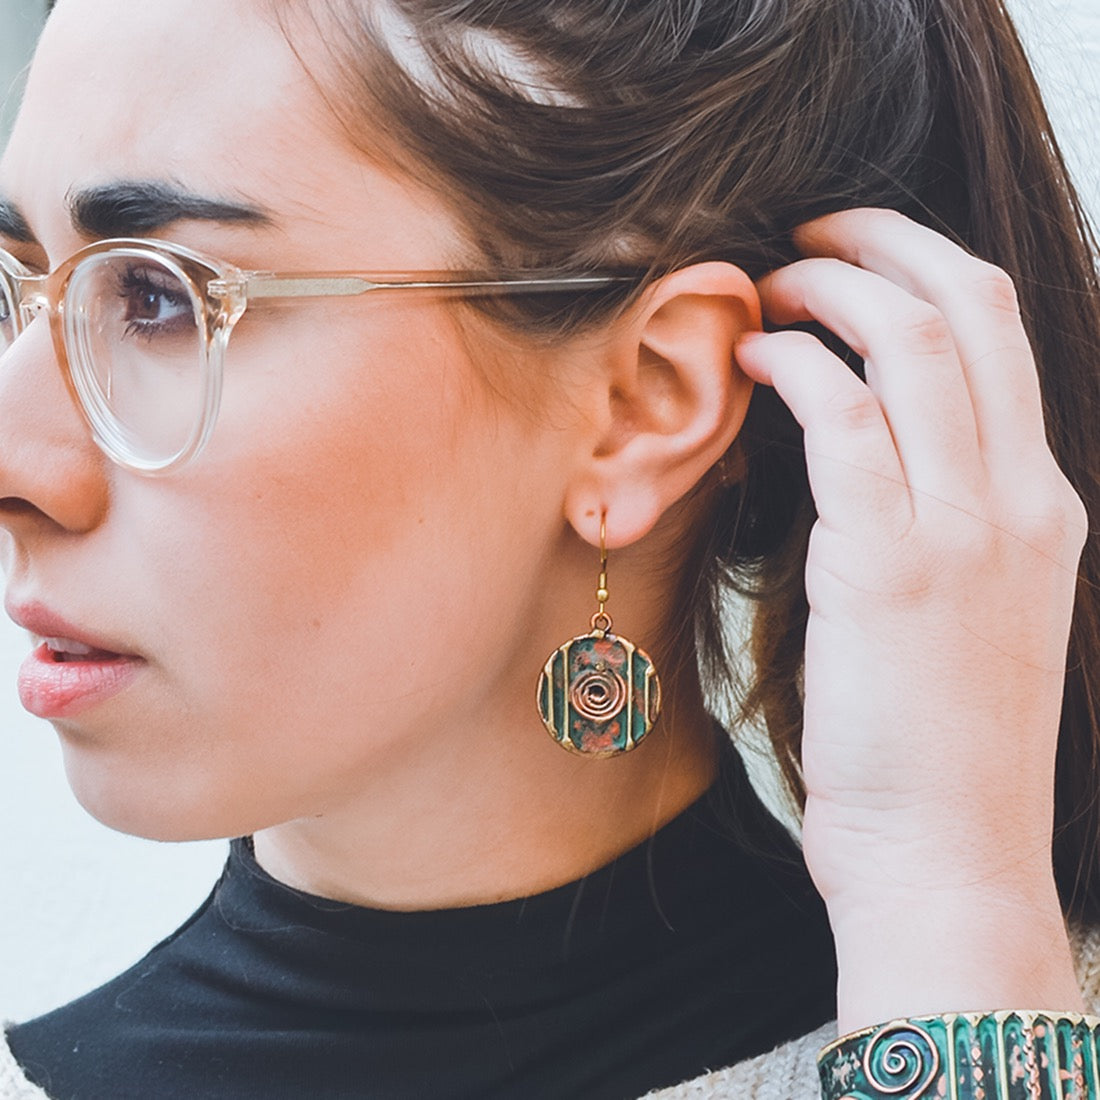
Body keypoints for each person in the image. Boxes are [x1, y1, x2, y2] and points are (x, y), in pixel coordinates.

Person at [0, 0, 1098, 1097]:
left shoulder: (1014, 1015)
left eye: (155, 295)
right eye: (17, 285)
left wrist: (952, 921)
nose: (15, 460)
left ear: (641, 404)